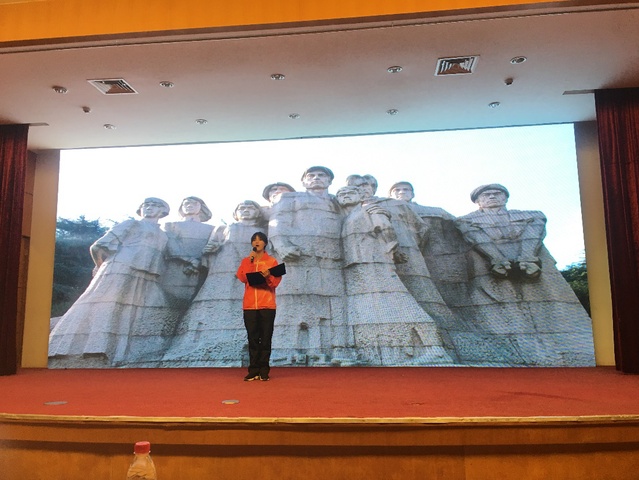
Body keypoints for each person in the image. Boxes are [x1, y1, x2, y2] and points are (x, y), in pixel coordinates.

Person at [49, 197, 179, 367]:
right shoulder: (131, 224)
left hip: (147, 273)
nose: (149, 208)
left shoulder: (163, 234)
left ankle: (118, 353)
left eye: (154, 205)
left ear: (163, 211)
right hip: (120, 267)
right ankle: (80, 348)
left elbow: (173, 255)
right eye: (146, 205)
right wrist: (100, 267)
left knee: (129, 313)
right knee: (104, 305)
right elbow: (98, 246)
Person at [336, 186, 454, 366]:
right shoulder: (349, 216)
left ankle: (435, 350)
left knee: (400, 302)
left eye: (349, 193)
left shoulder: (369, 208)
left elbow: (385, 227)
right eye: (341, 194)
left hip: (375, 260)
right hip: (358, 262)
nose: (345, 196)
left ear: (360, 195)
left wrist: (392, 249)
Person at [162, 200, 267, 367]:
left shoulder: (264, 230)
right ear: (235, 213)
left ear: (258, 212)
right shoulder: (224, 228)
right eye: (242, 208)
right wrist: (210, 251)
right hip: (223, 270)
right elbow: (208, 251)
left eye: (250, 208)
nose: (246, 211)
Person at [267, 166, 346, 365]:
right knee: (291, 302)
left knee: (332, 305)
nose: (316, 178)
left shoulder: (337, 202)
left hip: (332, 257)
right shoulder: (289, 198)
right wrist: (281, 245)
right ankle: (284, 352)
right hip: (296, 255)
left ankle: (327, 350)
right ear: (303, 181)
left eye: (321, 175)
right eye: (311, 175)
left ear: (329, 181)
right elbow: (277, 222)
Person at [236, 231, 282, 381]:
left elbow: (275, 283)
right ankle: (253, 370)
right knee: (253, 339)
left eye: (260, 240)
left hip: (267, 305)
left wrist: (268, 276)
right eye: (254, 240)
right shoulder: (246, 261)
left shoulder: (272, 261)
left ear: (265, 243)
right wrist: (250, 261)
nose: (257, 242)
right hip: (250, 306)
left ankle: (264, 370)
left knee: (266, 338)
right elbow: (242, 277)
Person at [162, 196, 214, 310]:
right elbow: (170, 246)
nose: (189, 205)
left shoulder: (212, 229)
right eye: (186, 203)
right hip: (174, 270)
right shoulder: (170, 225)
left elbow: (211, 249)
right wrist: (190, 260)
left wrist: (200, 262)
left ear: (201, 207)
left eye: (194, 203)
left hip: (200, 271)